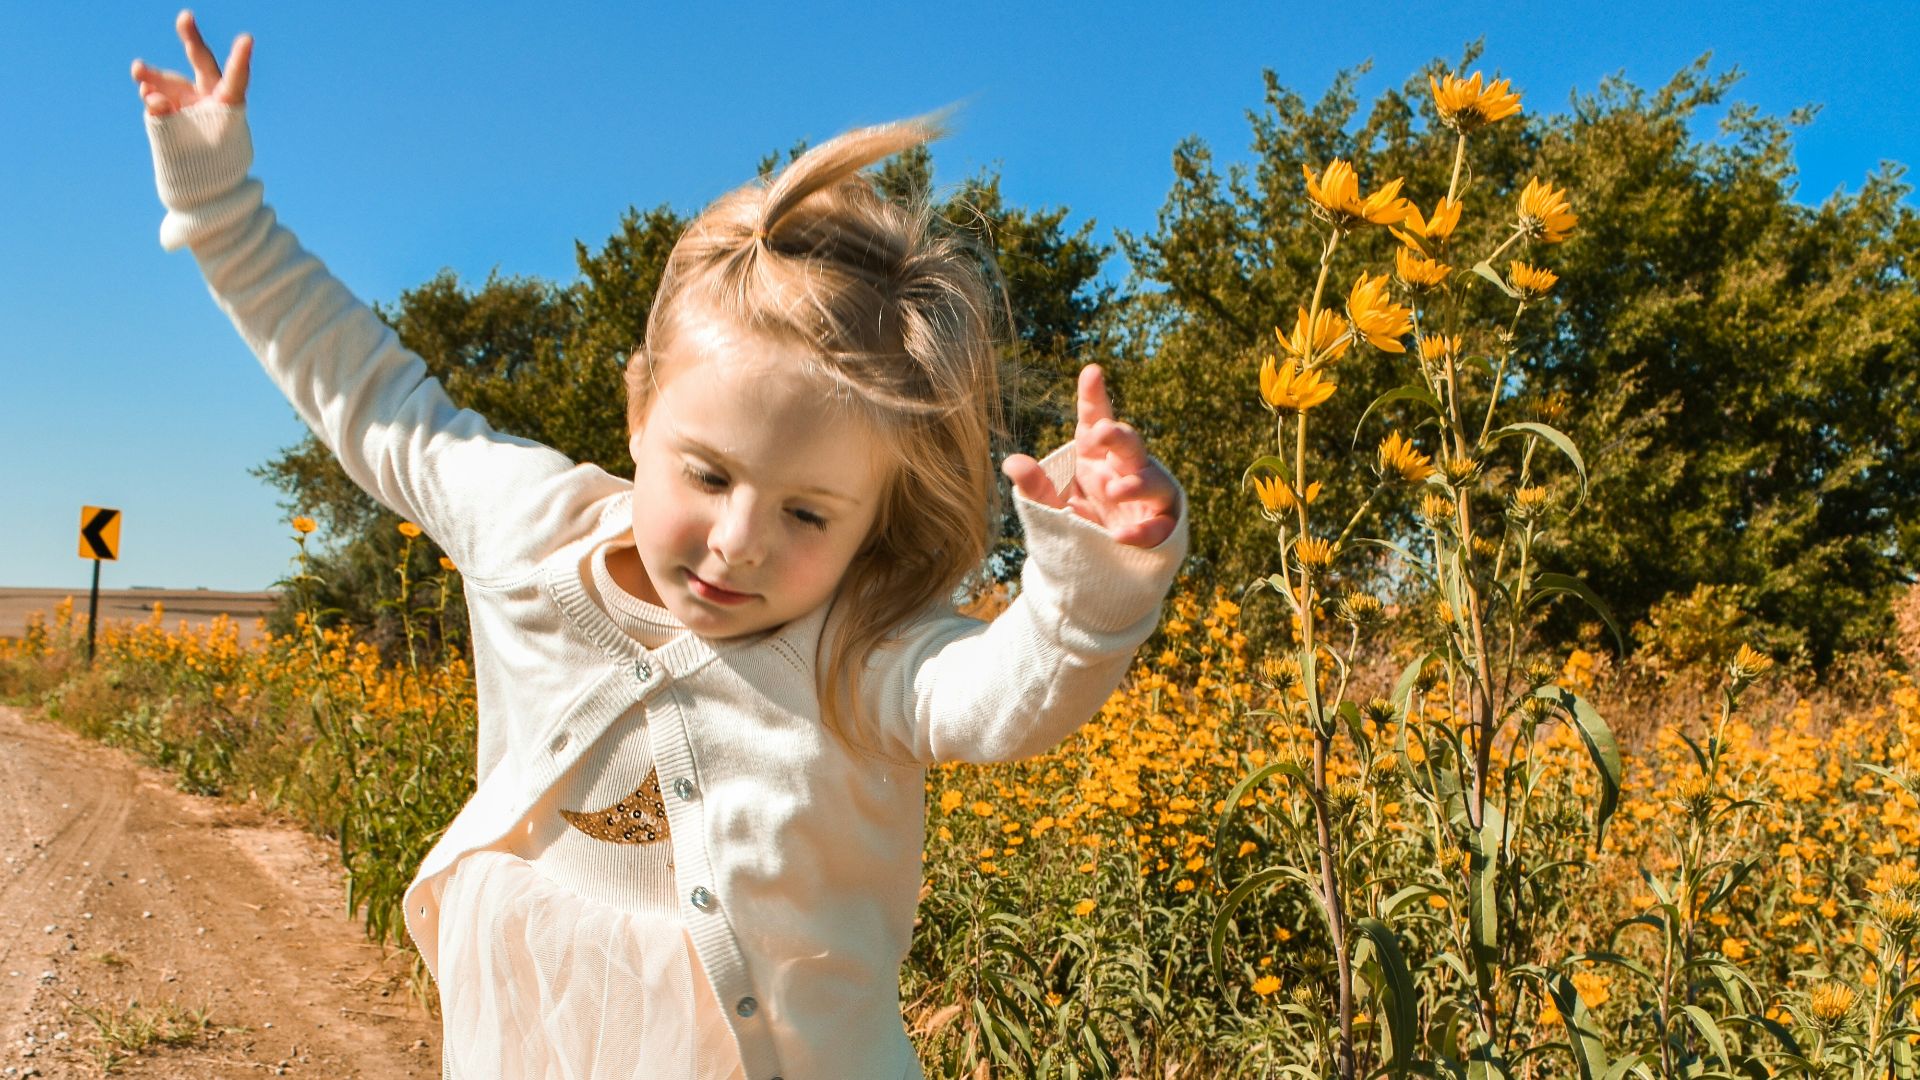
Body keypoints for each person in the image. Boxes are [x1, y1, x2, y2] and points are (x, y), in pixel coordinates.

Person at [133, 11, 1186, 1079]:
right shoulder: (526, 529)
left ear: (874, 521)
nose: (739, 542)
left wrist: (1085, 585)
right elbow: (371, 395)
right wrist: (221, 209)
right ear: (638, 411)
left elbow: (1000, 694)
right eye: (710, 475)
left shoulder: (856, 651)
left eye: (808, 514)